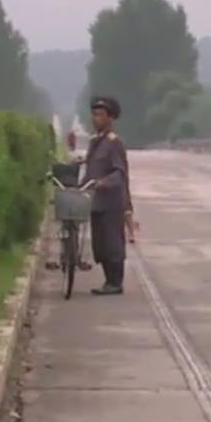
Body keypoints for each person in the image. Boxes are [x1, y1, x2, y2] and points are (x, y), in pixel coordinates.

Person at [81, 95, 133, 295]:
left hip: (111, 202)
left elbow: (119, 173)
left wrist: (104, 183)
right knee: (100, 244)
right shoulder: (96, 142)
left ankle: (115, 282)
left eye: (100, 115)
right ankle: (108, 281)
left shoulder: (114, 143)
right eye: (94, 115)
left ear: (111, 118)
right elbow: (91, 171)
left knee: (112, 243)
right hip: (96, 201)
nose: (96, 119)